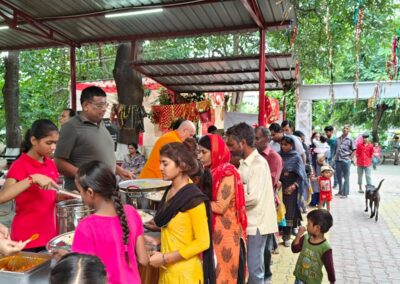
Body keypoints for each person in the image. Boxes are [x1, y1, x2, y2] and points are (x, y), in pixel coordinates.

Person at [68, 160, 148, 284]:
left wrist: (66, 259)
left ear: (90, 192)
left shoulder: (87, 227)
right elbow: (143, 260)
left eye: (80, 192)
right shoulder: (131, 212)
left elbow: (83, 276)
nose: (81, 196)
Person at [148, 142, 215, 284]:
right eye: (160, 163)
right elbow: (179, 230)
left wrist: (165, 258)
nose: (160, 168)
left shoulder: (193, 199)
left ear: (182, 165)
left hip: (185, 275)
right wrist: (157, 238)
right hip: (167, 272)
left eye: (165, 164)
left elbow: (203, 242)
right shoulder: (169, 192)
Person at [226, 122, 277, 284]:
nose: (230, 149)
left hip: (257, 224)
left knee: (255, 270)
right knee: (248, 269)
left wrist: (226, 203)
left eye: (231, 144)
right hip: (248, 223)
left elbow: (252, 197)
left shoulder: (258, 164)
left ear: (242, 143)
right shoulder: (243, 163)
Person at [54, 86, 133, 191]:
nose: (104, 109)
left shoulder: (101, 124)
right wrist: (86, 177)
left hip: (106, 189)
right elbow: (59, 162)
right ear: (86, 105)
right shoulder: (70, 127)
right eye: (100, 105)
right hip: (84, 192)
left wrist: (119, 170)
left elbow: (101, 157)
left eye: (105, 105)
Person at [0, 119, 60, 252]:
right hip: (28, 237)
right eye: (48, 143)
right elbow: (3, 196)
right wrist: (32, 178)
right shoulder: (19, 165)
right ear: (34, 141)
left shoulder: (50, 163)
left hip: (50, 234)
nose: (53, 147)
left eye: (55, 143)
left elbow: (50, 195)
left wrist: (64, 197)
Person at [198, 134, 247, 284]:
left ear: (215, 152)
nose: (200, 156)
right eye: (198, 152)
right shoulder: (210, 171)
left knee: (225, 274)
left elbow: (220, 206)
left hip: (226, 233)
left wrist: (192, 202)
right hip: (213, 230)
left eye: (204, 152)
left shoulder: (227, 172)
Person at [254, 126, 283, 282]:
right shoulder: (252, 156)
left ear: (267, 139)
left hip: (266, 207)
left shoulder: (273, 158)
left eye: (257, 138)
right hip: (253, 207)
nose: (254, 141)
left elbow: (268, 183)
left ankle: (266, 278)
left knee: (265, 247)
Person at [292, 209, 335, 284]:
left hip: (313, 281)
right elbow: (294, 249)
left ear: (317, 228)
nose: (306, 226)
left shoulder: (325, 248)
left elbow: (329, 267)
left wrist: (332, 281)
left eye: (308, 224)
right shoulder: (306, 238)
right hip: (299, 279)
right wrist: (298, 235)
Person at [278, 136, 307, 247]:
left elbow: (302, 175)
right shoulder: (278, 155)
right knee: (278, 211)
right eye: (282, 144)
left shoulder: (296, 157)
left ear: (291, 145)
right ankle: (277, 236)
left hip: (291, 189)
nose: (283, 146)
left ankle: (287, 236)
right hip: (279, 187)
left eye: (286, 144)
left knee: (289, 213)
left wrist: (294, 186)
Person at [333, 125, 356, 198]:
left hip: (346, 160)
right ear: (342, 130)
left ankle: (345, 194)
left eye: (347, 129)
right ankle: (340, 191)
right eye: (344, 128)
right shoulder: (338, 139)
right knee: (339, 176)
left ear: (348, 131)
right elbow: (335, 150)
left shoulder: (350, 139)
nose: (345, 130)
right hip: (338, 160)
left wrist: (349, 158)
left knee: (346, 177)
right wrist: (333, 159)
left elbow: (354, 150)